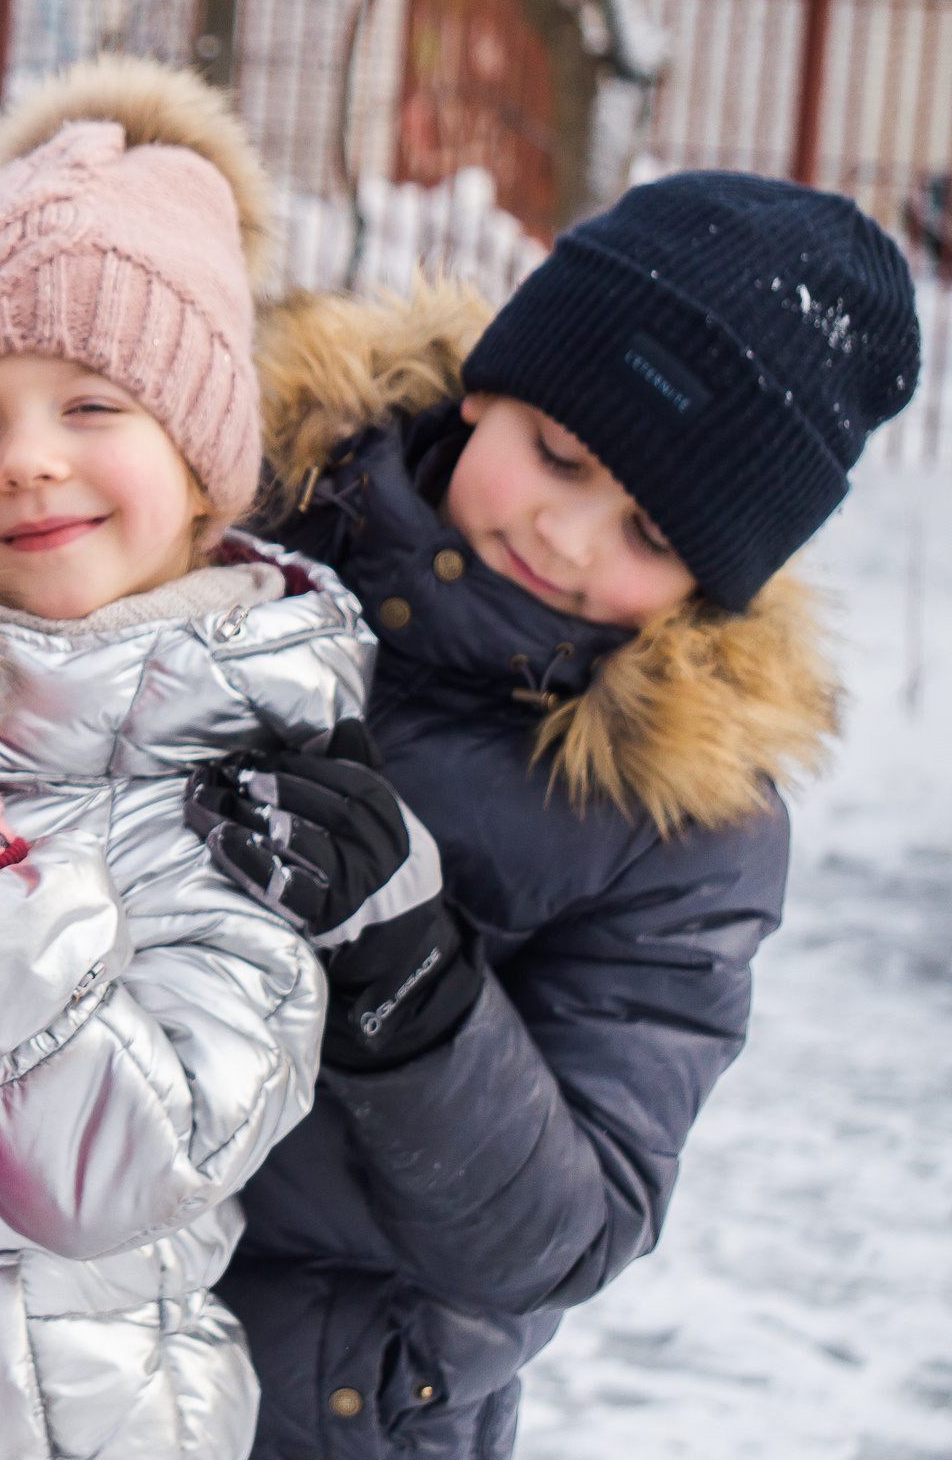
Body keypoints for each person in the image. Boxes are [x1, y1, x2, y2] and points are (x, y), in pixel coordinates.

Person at [0, 56, 447, 1457]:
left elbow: (130, 1166)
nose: (28, 459)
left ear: (202, 459)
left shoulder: (251, 798)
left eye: (91, 407)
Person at [203, 172, 921, 1457]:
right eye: (559, 456)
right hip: (21, 1312)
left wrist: (407, 977)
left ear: (714, 579)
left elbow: (561, 1235)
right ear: (489, 387)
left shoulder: (682, 823)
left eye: (649, 531)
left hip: (312, 1409)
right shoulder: (238, 513)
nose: (567, 536)